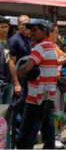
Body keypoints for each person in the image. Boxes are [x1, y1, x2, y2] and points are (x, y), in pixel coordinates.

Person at [16, 19, 58, 149]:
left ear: (44, 31)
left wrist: (19, 71)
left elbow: (27, 68)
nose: (31, 33)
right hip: (48, 95)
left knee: (27, 133)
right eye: (31, 30)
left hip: (36, 97)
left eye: (35, 30)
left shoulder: (40, 48)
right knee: (48, 130)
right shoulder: (51, 46)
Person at [8, 15, 31, 146]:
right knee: (18, 111)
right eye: (23, 24)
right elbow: (11, 63)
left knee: (25, 110)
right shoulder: (14, 40)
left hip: (27, 81)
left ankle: (22, 138)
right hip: (19, 82)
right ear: (18, 25)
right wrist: (16, 83)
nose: (25, 26)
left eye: (27, 24)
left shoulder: (28, 38)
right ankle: (16, 139)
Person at [49, 23, 66, 148]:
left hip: (58, 82)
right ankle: (54, 136)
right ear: (50, 33)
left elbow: (63, 55)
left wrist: (65, 57)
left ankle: (58, 134)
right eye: (56, 33)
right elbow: (59, 59)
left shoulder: (55, 45)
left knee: (60, 109)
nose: (58, 35)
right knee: (55, 109)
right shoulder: (48, 46)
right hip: (51, 82)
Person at [0, 16, 12, 104]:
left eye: (6, 27)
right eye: (2, 27)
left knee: (7, 110)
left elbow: (8, 61)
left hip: (8, 82)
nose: (5, 30)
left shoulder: (8, 43)